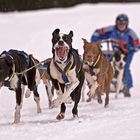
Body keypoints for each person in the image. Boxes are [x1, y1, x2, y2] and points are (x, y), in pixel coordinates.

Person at [91, 13, 140, 97]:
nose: (121, 26)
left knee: (125, 67)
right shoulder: (111, 29)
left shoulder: (131, 33)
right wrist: (95, 42)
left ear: (126, 24)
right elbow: (97, 32)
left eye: (123, 24)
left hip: (127, 53)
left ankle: (127, 87)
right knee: (106, 64)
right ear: (116, 24)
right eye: (119, 24)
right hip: (115, 52)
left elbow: (137, 45)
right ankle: (106, 83)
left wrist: (128, 48)